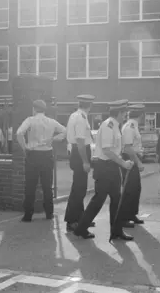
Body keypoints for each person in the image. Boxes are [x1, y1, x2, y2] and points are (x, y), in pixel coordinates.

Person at [73, 100, 134, 240]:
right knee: (99, 199)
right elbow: (107, 151)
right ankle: (81, 229)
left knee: (117, 199)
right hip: (105, 167)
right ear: (119, 113)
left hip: (112, 167)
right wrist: (124, 163)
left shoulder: (115, 126)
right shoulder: (108, 125)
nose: (125, 116)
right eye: (124, 113)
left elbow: (114, 150)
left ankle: (117, 231)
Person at [16, 99, 67, 222]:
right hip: (47, 155)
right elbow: (65, 131)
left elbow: (19, 133)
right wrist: (54, 139)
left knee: (30, 186)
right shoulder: (51, 121)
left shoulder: (30, 120)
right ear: (44, 110)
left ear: (34, 109)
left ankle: (28, 215)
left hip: (32, 155)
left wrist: (25, 148)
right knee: (47, 186)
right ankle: (49, 213)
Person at [64, 94, 95, 232]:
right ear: (90, 105)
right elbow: (81, 142)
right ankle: (72, 220)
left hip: (76, 151)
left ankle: (80, 217)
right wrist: (85, 162)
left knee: (80, 188)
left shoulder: (74, 115)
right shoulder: (81, 118)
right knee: (79, 189)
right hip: (80, 152)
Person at [121, 104, 145, 226]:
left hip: (133, 158)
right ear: (140, 115)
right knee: (129, 189)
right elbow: (128, 148)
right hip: (130, 160)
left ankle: (132, 214)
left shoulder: (133, 125)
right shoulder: (130, 127)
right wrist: (138, 162)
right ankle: (124, 217)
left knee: (136, 188)